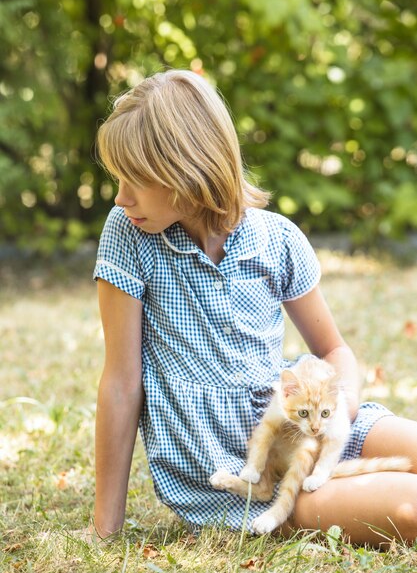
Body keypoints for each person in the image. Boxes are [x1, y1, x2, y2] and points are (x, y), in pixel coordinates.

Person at [92, 69, 417, 546]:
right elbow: (122, 384)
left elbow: (335, 353)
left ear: (188, 170)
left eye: (135, 180)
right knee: (408, 508)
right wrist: (106, 528)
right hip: (246, 473)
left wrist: (333, 427)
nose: (121, 197)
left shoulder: (277, 239)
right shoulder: (128, 235)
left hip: (310, 428)